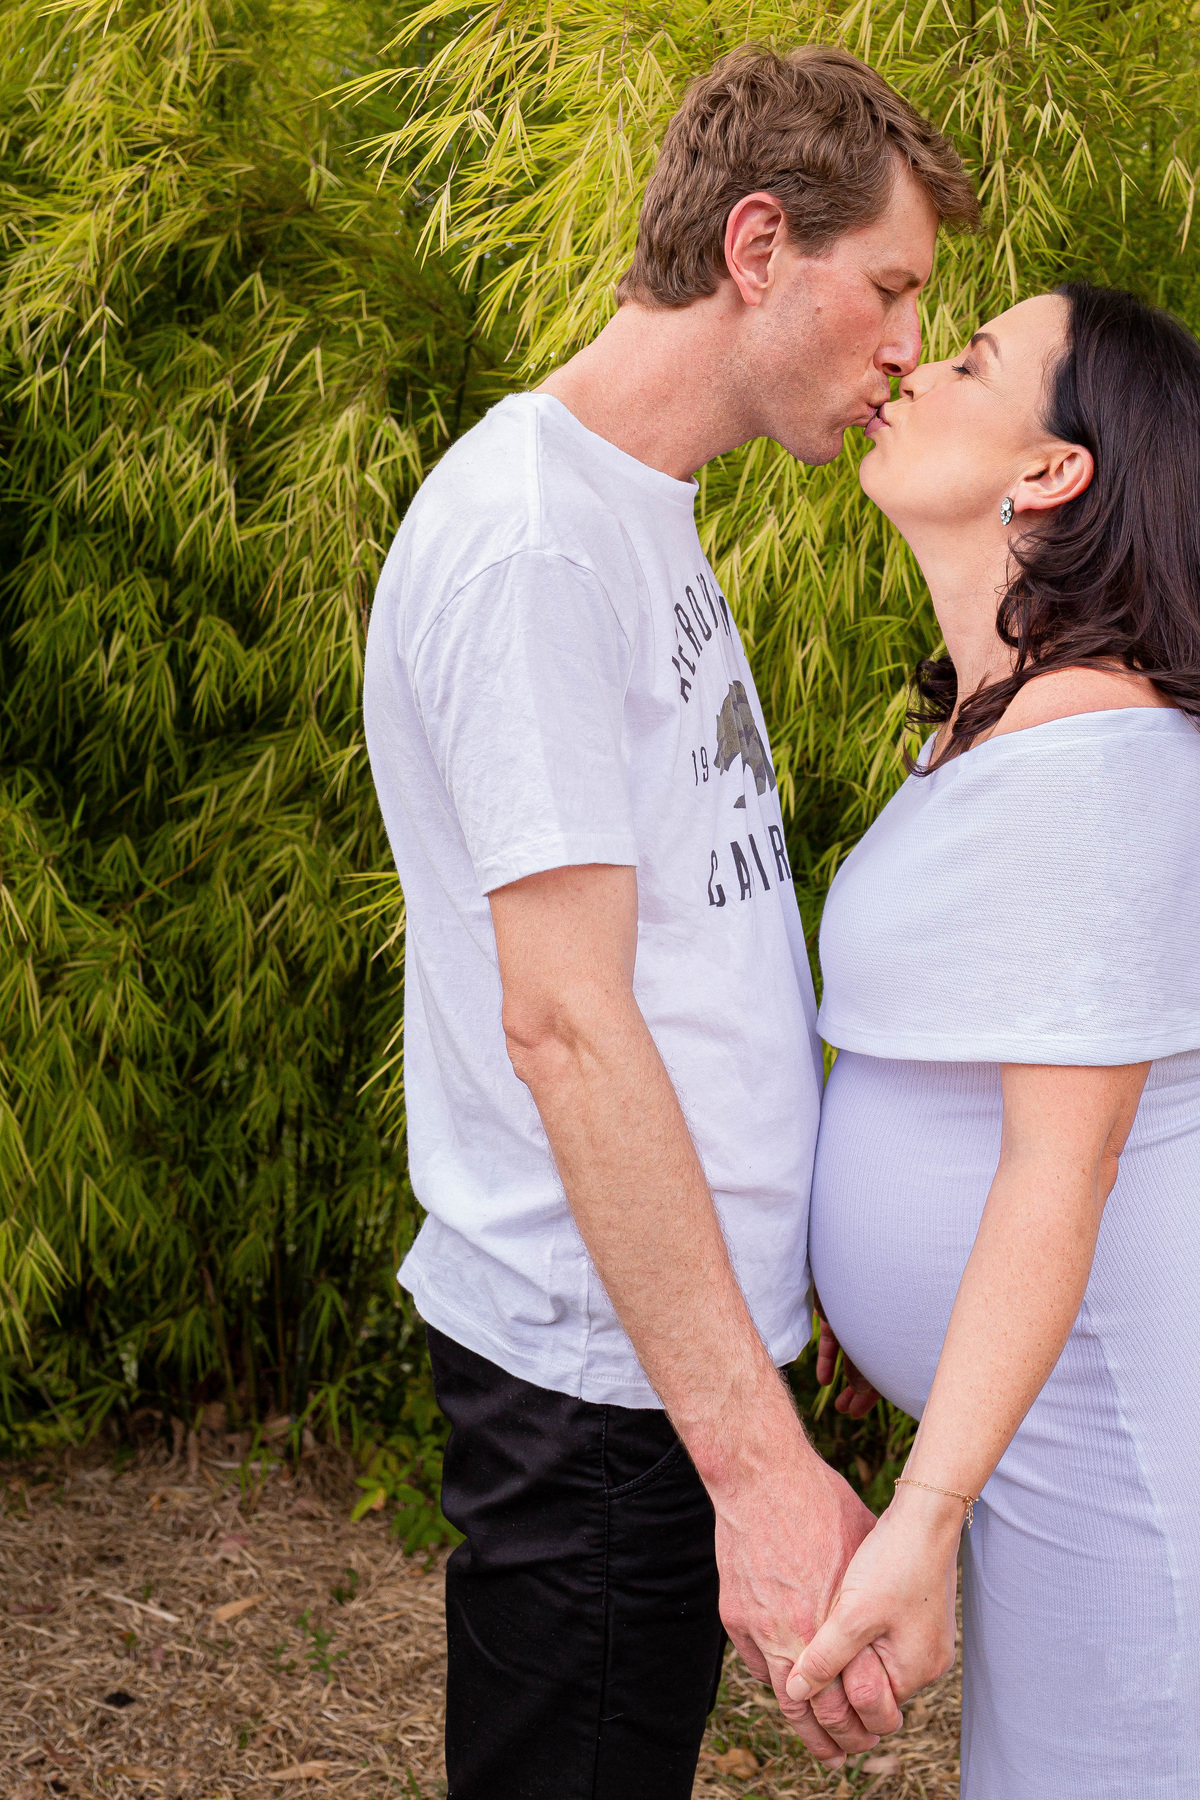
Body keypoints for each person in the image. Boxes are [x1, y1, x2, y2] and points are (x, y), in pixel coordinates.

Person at [362, 42, 977, 1800]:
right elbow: (566, 1020)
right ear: (761, 245)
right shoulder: (537, 541)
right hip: (601, 1390)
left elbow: (697, 967)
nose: (906, 351)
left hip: (659, 1362)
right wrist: (759, 1474)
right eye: (891, 289)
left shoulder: (640, 515)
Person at [798, 281, 1200, 1796]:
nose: (912, 362)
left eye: (970, 362)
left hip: (1119, 1477)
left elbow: (1063, 1166)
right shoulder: (1001, 722)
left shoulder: (1097, 756)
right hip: (1049, 1453)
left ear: (1051, 471)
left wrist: (924, 1507)